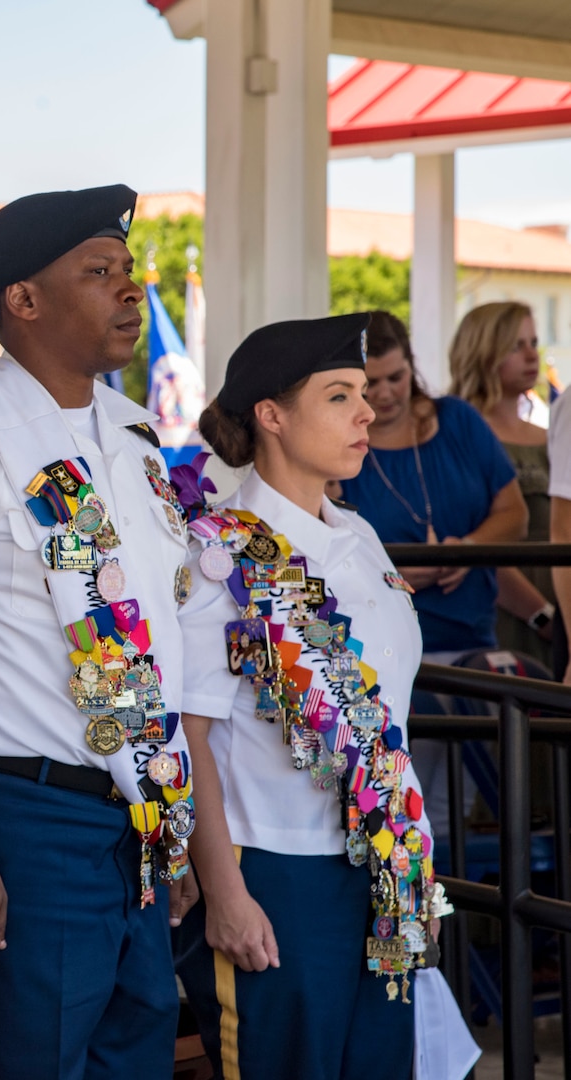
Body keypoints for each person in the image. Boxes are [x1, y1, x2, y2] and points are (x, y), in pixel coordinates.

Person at [0, 185, 198, 1080]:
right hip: (23, 821)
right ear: (22, 300)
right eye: (100, 274)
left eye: (130, 273)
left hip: (133, 818)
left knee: (134, 1054)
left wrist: (169, 824)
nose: (130, 292)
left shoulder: (133, 433)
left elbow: (148, 639)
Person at [171, 314, 452, 1079]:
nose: (368, 412)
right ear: (271, 415)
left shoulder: (357, 533)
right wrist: (224, 893)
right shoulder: (218, 553)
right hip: (275, 869)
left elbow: (385, 703)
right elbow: (187, 736)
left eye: (364, 393)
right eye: (339, 396)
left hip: (382, 859)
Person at [342, 311, 526, 836]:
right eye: (368, 383)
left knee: (455, 813)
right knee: (401, 812)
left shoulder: (459, 420)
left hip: (468, 638)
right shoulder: (343, 442)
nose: (385, 393)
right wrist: (396, 574)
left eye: (395, 377)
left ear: (412, 367)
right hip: (386, 655)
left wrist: (464, 549)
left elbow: (514, 514)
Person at [449, 302, 560, 672]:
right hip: (503, 611)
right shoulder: (461, 434)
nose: (532, 355)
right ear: (483, 351)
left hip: (560, 602)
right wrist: (542, 616)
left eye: (533, 342)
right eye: (516, 346)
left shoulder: (549, 437)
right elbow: (475, 533)